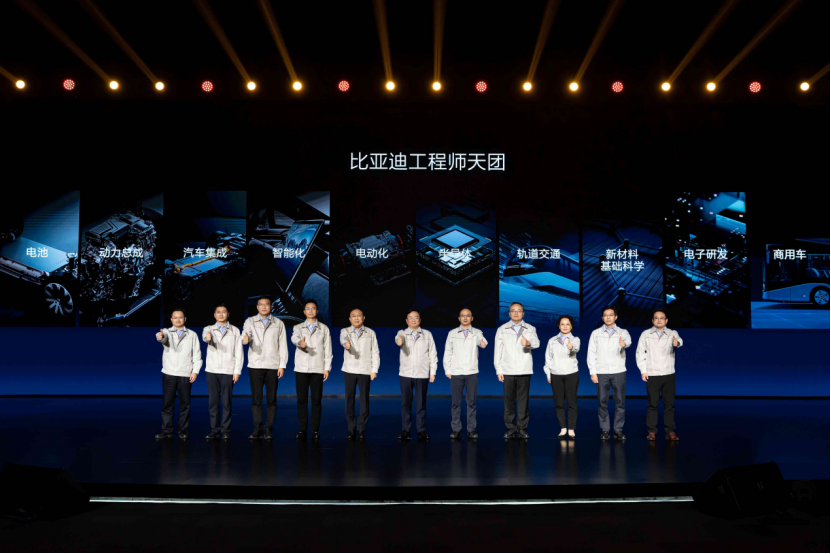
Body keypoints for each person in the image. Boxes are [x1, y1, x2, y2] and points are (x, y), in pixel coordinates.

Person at [242, 296, 288, 440]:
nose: (264, 307)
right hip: (255, 365)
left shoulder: (278, 323)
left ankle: (268, 428)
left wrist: (282, 365)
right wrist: (246, 339)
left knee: (271, 399)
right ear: (257, 307)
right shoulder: (250, 321)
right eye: (261, 304)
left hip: (273, 366)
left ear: (271, 307)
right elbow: (246, 334)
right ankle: (257, 428)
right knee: (256, 399)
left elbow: (283, 346)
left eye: (267, 304)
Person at [495, 302, 540, 440]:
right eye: (513, 311)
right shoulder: (502, 329)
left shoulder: (530, 328)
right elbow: (498, 351)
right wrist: (499, 369)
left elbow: (537, 343)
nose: (516, 313)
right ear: (509, 313)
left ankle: (522, 429)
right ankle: (510, 428)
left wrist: (528, 343)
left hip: (524, 369)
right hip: (507, 370)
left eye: (519, 310)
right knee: (508, 401)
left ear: (523, 313)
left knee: (523, 401)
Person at [155, 309, 202, 440]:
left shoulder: (192, 334)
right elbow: (162, 338)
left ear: (185, 319)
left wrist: (195, 371)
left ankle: (183, 430)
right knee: (167, 404)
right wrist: (160, 337)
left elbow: (197, 355)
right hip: (169, 373)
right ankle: (166, 430)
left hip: (185, 374)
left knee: (185, 404)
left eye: (180, 317)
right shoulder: (166, 332)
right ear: (171, 320)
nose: (178, 319)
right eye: (175, 317)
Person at [637, 310, 683, 442]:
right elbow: (640, 353)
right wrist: (643, 370)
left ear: (666, 320)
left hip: (668, 373)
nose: (659, 320)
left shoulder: (672, 333)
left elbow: (680, 341)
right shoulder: (646, 334)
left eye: (661, 318)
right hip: (652, 374)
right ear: (652, 321)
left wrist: (677, 343)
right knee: (653, 404)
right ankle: (651, 431)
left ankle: (669, 431)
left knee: (669, 404)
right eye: (656, 318)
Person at [587, 306, 632, 441]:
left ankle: (618, 430)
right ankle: (605, 430)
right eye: (606, 315)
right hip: (601, 372)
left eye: (611, 315)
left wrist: (624, 344)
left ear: (615, 317)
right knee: (602, 402)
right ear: (602, 318)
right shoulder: (596, 333)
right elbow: (591, 353)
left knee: (620, 402)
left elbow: (628, 342)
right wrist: (593, 372)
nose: (608, 317)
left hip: (618, 371)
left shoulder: (622, 332)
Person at [290, 300, 333, 441]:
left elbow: (328, 350)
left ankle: (315, 430)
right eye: (307, 308)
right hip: (301, 368)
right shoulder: (298, 327)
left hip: (317, 368)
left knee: (316, 401)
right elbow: (294, 338)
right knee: (301, 401)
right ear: (304, 311)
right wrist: (300, 343)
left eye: (313, 308)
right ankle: (302, 430)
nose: (310, 310)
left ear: (317, 311)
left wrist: (326, 368)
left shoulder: (324, 328)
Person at [443, 308, 488, 440]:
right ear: (459, 318)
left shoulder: (477, 332)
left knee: (471, 402)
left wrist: (480, 339)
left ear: (472, 318)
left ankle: (471, 429)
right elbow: (448, 352)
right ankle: (456, 429)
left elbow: (484, 344)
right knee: (456, 403)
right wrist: (448, 370)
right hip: (456, 372)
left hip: (471, 372)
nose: (465, 318)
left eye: (468, 316)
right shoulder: (452, 333)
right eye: (463, 316)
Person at [395, 311, 438, 441]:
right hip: (405, 374)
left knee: (421, 404)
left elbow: (433, 354)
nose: (413, 320)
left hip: (422, 374)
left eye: (416, 317)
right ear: (406, 321)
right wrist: (399, 341)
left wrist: (432, 372)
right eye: (410, 318)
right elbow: (398, 340)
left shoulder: (427, 334)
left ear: (420, 320)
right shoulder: (402, 333)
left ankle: (421, 430)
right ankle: (405, 430)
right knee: (406, 403)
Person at [202, 304, 243, 440]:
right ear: (214, 315)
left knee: (226, 402)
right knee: (213, 402)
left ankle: (225, 430)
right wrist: (208, 338)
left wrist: (237, 371)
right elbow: (205, 338)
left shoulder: (235, 330)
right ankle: (214, 430)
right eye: (218, 312)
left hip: (228, 370)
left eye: (224, 312)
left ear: (228, 314)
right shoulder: (208, 329)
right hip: (212, 370)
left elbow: (239, 352)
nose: (221, 314)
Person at [339, 309, 379, 441]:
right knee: (349, 399)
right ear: (350, 319)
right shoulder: (345, 331)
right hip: (349, 370)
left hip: (365, 370)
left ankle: (361, 429)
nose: (356, 318)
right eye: (353, 316)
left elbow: (375, 352)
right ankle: (351, 429)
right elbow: (343, 339)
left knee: (364, 400)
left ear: (364, 318)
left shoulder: (370, 333)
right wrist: (346, 344)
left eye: (359, 316)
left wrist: (374, 370)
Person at [544, 315, 581, 439]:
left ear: (571, 326)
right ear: (558, 326)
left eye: (567, 324)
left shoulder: (575, 339)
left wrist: (571, 347)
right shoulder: (552, 340)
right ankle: (563, 428)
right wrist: (549, 374)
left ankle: (571, 428)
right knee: (558, 403)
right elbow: (548, 358)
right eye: (562, 324)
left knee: (571, 403)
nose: (565, 326)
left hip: (571, 373)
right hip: (556, 374)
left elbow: (576, 348)